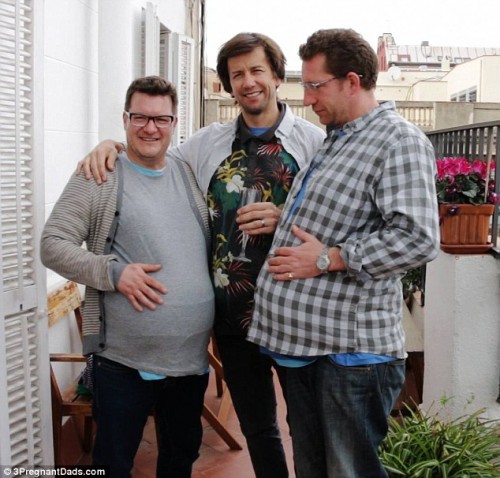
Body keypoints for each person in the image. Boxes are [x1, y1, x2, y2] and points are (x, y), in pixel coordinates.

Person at [77, 33, 325, 478]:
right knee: (259, 429)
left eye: (257, 70)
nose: (248, 82)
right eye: (237, 74)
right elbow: (152, 151)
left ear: (276, 76)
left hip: (298, 314)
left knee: (308, 429)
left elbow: (336, 221)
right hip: (231, 319)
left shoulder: (314, 142)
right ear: (228, 86)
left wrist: (284, 217)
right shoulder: (206, 144)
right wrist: (110, 145)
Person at [246, 29, 440, 478]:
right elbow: (342, 218)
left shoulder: (398, 141)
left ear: (352, 81)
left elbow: (418, 237)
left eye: (316, 85)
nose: (307, 98)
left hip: (350, 359)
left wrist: (328, 258)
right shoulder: (338, 138)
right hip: (309, 351)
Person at [41, 76, 214, 478]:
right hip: (122, 364)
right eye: (140, 117)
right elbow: (52, 244)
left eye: (161, 119)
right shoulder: (98, 175)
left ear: (174, 123)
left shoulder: (188, 172)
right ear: (125, 119)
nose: (150, 128)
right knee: (113, 464)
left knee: (180, 460)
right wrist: (113, 273)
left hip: (190, 363)